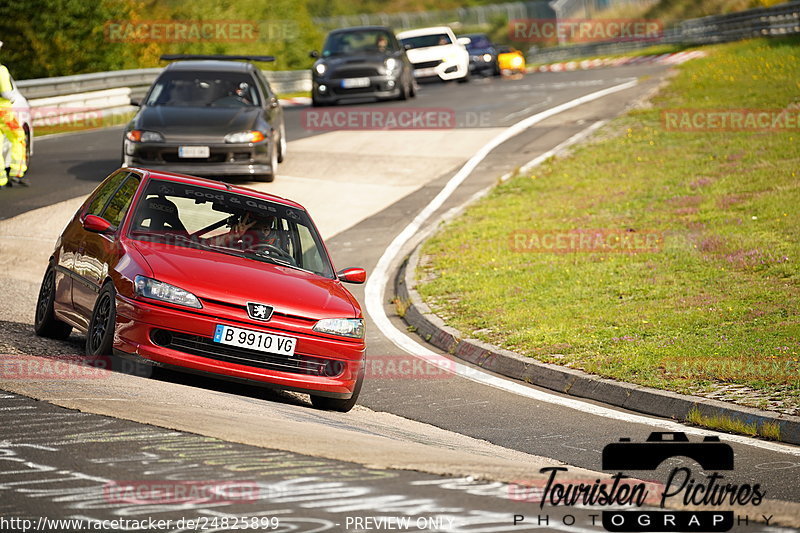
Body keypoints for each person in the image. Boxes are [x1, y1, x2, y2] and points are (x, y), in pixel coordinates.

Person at [0, 41, 28, 187]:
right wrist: (12, 97)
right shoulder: (1, 70)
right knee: (19, 137)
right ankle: (16, 173)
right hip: (3, 112)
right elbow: (5, 92)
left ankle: (1, 179)